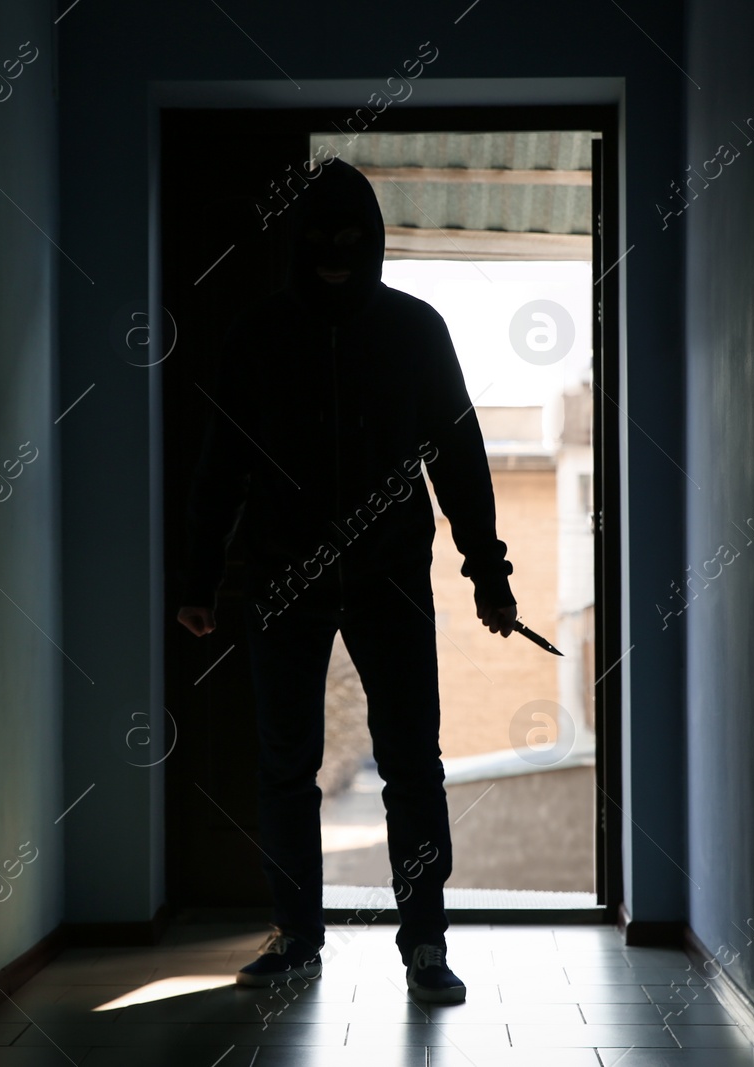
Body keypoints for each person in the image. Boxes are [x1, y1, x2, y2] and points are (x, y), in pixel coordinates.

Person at [175, 156, 518, 1004]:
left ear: (376, 243)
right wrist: (199, 577)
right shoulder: (257, 337)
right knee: (286, 765)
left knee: (411, 763)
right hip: (280, 581)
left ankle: (425, 943)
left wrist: (489, 574)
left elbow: (460, 460)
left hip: (391, 577)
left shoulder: (416, 331)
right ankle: (298, 935)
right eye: (321, 237)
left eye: (350, 238)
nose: (335, 252)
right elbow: (220, 468)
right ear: (299, 242)